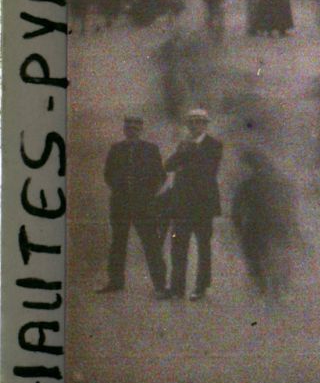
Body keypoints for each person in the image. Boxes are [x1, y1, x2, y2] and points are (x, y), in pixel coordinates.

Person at [161, 108, 224, 300]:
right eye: (191, 122)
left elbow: (207, 170)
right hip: (182, 205)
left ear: (205, 125)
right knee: (178, 246)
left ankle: (201, 287)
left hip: (203, 205)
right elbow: (168, 166)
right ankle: (176, 288)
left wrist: (185, 163)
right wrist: (183, 156)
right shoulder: (184, 144)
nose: (194, 126)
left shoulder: (214, 144)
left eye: (199, 122)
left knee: (203, 246)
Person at [101, 115, 167, 295]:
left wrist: (148, 193)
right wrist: (120, 187)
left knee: (151, 244)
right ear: (124, 130)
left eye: (135, 128)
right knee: (118, 243)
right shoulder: (116, 149)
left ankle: (160, 285)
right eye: (129, 128)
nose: (132, 131)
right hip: (120, 203)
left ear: (141, 130)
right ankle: (115, 282)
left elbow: (160, 175)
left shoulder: (151, 149)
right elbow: (108, 174)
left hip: (144, 205)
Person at [230, 149, 300, 298]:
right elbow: (289, 207)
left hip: (255, 228)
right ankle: (278, 288)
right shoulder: (280, 182)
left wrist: (237, 229)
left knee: (256, 263)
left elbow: (236, 211)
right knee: (277, 261)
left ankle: (262, 289)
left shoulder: (246, 185)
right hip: (277, 227)